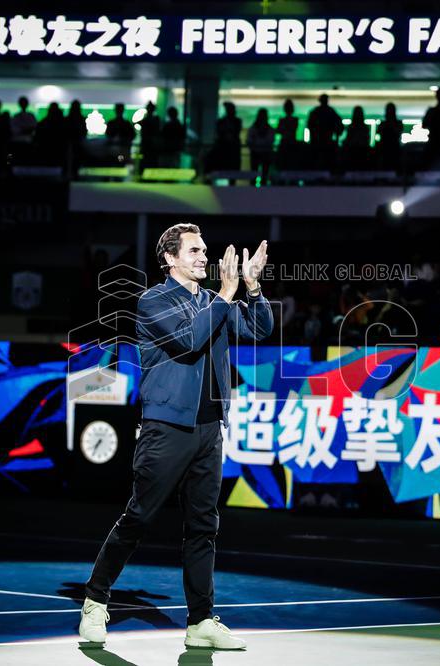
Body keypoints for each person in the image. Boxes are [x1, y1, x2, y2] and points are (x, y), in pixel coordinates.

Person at [80, 224, 273, 650]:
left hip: (209, 428)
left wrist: (253, 288)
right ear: (169, 258)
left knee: (204, 526)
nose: (204, 257)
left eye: (205, 251)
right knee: (139, 517)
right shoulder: (153, 301)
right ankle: (95, 600)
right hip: (166, 428)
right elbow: (189, 340)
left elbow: (259, 330)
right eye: (194, 251)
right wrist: (227, 294)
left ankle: (200, 621)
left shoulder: (212, 300)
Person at [306, 93, 343, 170]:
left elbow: (310, 126)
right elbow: (339, 126)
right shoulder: (330, 112)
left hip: (319, 142)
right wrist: (336, 137)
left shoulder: (316, 112)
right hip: (325, 142)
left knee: (318, 163)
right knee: (326, 163)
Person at [246, 108, 275, 182]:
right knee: (254, 173)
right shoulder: (253, 129)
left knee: (264, 174)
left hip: (265, 153)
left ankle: (262, 185)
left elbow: (271, 140)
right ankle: (255, 185)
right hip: (256, 153)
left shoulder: (269, 129)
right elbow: (249, 140)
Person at [377, 102, 404, 172]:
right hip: (392, 149)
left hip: (387, 149)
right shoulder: (398, 123)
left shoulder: (383, 124)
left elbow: (379, 132)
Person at [275, 98, 299, 170]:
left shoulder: (284, 120)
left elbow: (279, 131)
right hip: (289, 143)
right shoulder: (293, 120)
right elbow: (280, 131)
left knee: (287, 164)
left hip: (288, 143)